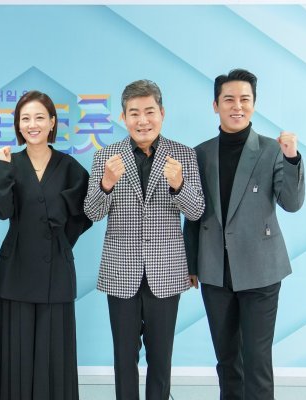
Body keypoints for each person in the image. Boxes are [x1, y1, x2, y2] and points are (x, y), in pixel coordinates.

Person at [183, 68, 305, 400]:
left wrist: (292, 158)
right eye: (229, 99)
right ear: (215, 105)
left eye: (244, 99)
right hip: (214, 271)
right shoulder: (200, 153)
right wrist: (192, 263)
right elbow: (193, 213)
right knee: (227, 361)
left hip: (261, 270)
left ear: (253, 103)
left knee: (257, 360)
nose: (237, 106)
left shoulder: (271, 150)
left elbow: (292, 203)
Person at [84, 80, 205, 400]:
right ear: (123, 117)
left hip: (166, 272)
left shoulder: (183, 155)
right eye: (134, 113)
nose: (143, 120)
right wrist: (106, 183)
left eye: (149, 111)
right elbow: (93, 212)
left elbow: (196, 211)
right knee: (124, 358)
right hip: (120, 271)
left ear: (162, 113)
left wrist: (179, 185)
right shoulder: (106, 156)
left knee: (161, 359)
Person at [0, 90, 92, 400]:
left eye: (39, 117)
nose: (32, 125)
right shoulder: (7, 162)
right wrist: (3, 170)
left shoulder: (70, 166)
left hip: (55, 271)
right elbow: (1, 211)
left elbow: (83, 215)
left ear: (52, 122)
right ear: (18, 125)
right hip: (17, 269)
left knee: (54, 354)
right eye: (25, 119)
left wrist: (60, 243)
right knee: (17, 355)